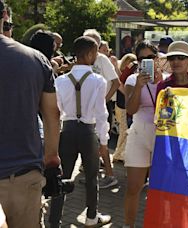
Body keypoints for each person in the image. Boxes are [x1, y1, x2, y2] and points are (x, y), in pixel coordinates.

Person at [0, 1, 61, 226]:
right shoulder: (35, 59)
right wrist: (51, 156)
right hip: (23, 174)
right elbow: (52, 115)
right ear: (5, 15)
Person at [49, 36, 111, 227]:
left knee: (63, 177)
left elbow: (56, 111)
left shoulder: (60, 80)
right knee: (92, 177)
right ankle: (92, 217)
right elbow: (101, 114)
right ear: (91, 53)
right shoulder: (98, 80)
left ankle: (54, 221)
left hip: (66, 131)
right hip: (88, 132)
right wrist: (103, 142)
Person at [123, 40, 164, 227]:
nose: (145, 61)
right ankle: (128, 225)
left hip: (162, 137)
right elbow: (130, 110)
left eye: (150, 57)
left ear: (157, 58)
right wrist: (139, 87)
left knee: (159, 189)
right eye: (141, 59)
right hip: (139, 133)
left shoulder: (168, 79)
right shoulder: (133, 80)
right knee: (133, 187)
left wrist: (161, 80)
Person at [83, 29, 119, 188]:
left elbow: (116, 82)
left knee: (101, 142)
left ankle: (110, 176)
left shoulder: (102, 60)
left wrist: (103, 100)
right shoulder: (84, 61)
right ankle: (93, 176)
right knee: (92, 142)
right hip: (87, 108)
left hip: (102, 107)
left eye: (91, 42)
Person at [113, 53, 138, 162]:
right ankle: (119, 155)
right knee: (124, 132)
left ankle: (119, 154)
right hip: (123, 106)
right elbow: (120, 83)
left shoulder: (124, 71)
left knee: (123, 131)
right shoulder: (130, 70)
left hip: (120, 105)